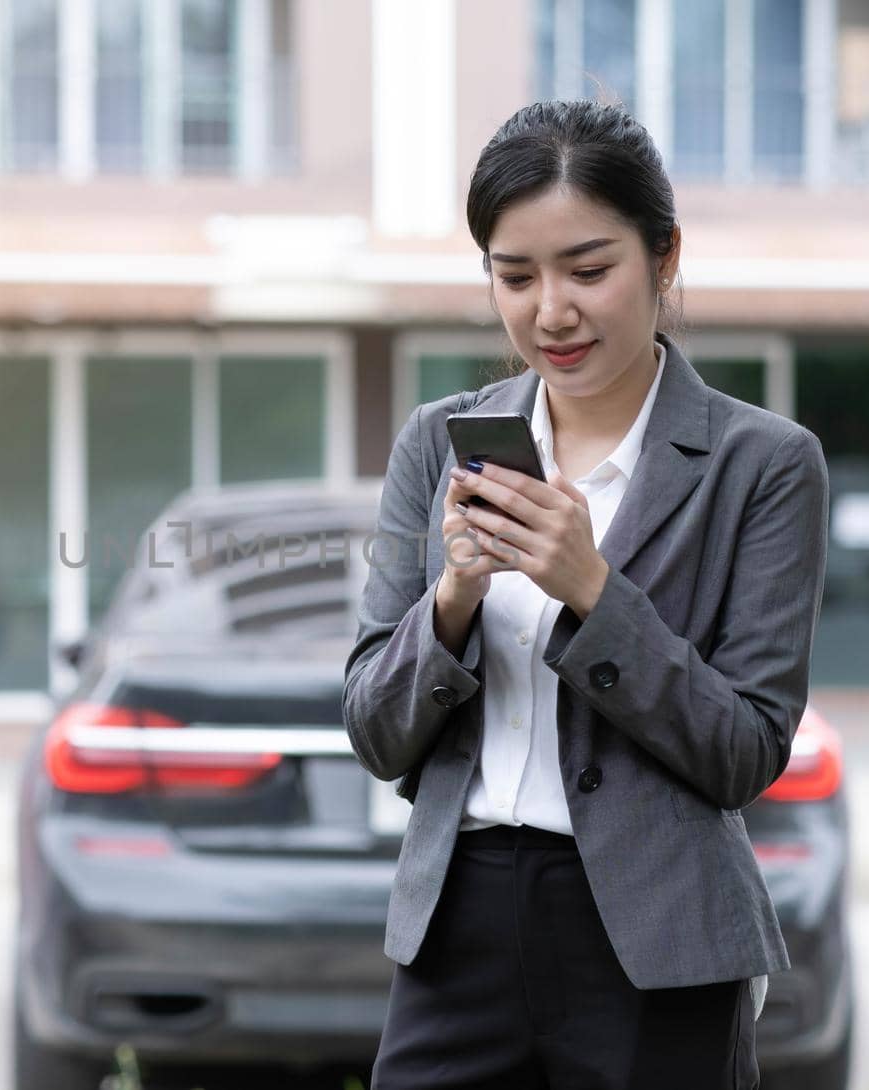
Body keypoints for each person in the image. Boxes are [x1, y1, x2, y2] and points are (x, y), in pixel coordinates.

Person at [342, 99, 830, 1089]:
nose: (549, 310)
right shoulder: (441, 444)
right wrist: (450, 601)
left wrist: (590, 590)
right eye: (513, 275)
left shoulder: (763, 464)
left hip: (659, 942)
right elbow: (373, 729)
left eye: (587, 269)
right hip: (457, 927)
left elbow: (743, 752)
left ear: (664, 257)